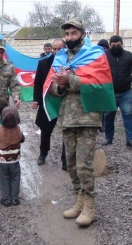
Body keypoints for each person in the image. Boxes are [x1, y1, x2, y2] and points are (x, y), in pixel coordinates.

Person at [49, 18, 115, 226]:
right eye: (67, 34)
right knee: (70, 164)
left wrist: (70, 80)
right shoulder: (60, 57)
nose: (69, 37)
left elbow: (99, 85)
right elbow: (51, 89)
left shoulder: (95, 55)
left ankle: (89, 206)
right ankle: (78, 199)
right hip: (67, 118)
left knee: (84, 165)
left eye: (73, 33)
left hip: (87, 117)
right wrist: (58, 85)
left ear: (83, 34)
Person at [102, 35, 132, 148]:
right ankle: (108, 138)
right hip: (110, 92)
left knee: (128, 115)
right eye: (113, 45)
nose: (116, 47)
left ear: (122, 44)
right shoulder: (104, 56)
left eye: (118, 45)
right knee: (108, 116)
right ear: (110, 45)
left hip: (126, 92)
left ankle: (130, 140)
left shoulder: (128, 56)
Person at [32, 39, 67, 170]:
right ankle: (43, 153)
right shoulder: (44, 63)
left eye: (60, 49)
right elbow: (38, 83)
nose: (57, 52)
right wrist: (36, 99)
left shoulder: (70, 62)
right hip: (48, 102)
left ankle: (65, 160)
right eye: (54, 49)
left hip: (65, 101)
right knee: (45, 130)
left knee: (67, 131)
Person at [0, 106, 25, 206]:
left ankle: (5, 198)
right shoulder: (18, 130)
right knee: (15, 178)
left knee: (4, 179)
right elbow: (22, 139)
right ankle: (15, 198)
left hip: (2, 161)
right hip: (14, 160)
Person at [97, 39, 110, 132]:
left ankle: (104, 125)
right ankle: (99, 125)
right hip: (97, 85)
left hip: (106, 85)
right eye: (101, 48)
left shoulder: (110, 57)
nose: (103, 50)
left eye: (105, 48)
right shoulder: (94, 57)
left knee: (106, 109)